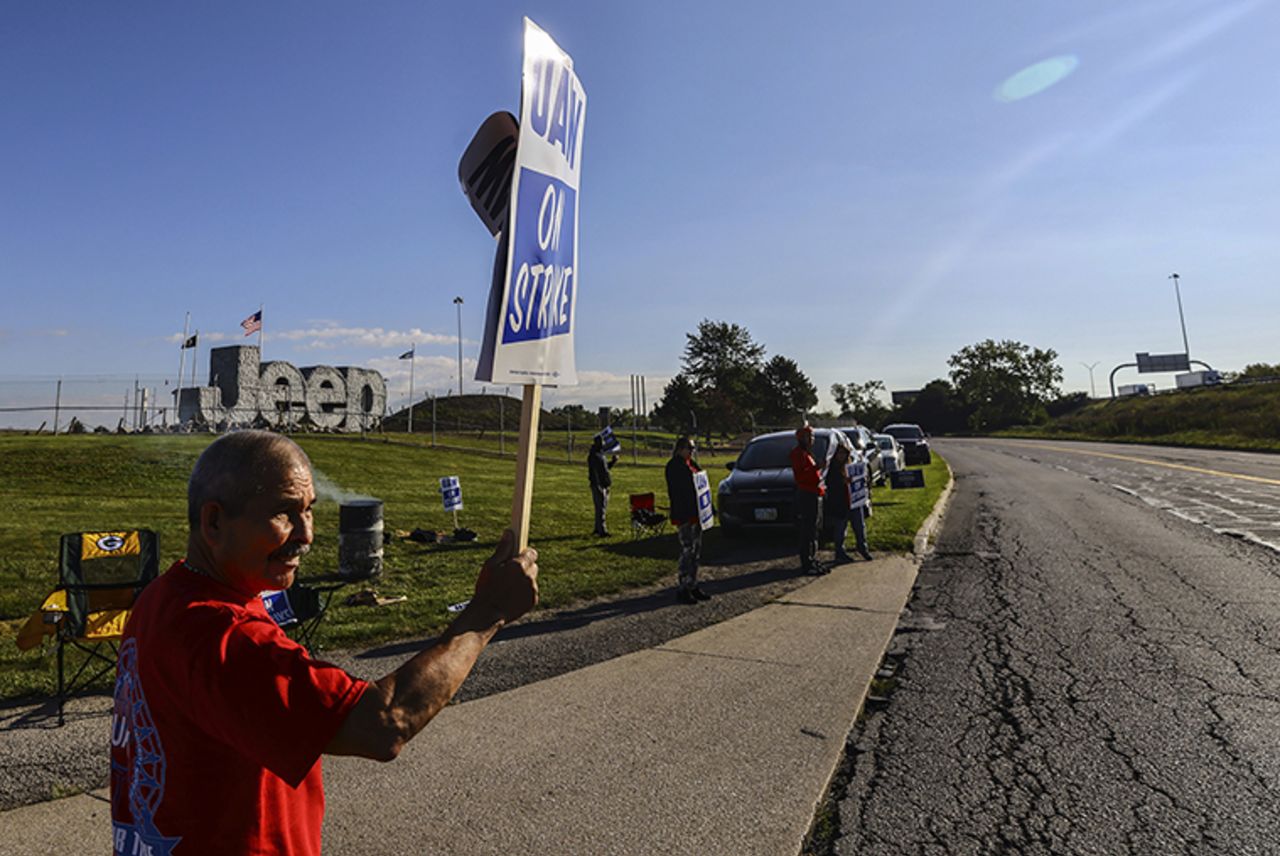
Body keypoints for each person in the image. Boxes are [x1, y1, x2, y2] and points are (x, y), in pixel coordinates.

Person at [110, 431, 538, 856]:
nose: (307, 534)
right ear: (215, 522)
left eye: (309, 510)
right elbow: (384, 722)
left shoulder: (163, 596)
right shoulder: (224, 634)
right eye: (284, 513)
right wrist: (487, 614)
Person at [664, 435, 709, 604]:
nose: (692, 452)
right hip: (684, 514)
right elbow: (680, 491)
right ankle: (683, 588)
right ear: (680, 449)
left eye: (693, 449)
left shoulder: (692, 464)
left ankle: (693, 584)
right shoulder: (674, 466)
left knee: (696, 552)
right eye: (690, 448)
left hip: (697, 514)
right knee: (687, 550)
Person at [790, 424, 829, 575]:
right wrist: (816, 468)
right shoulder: (797, 454)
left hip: (814, 492)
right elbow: (800, 476)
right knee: (807, 530)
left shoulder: (807, 454)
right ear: (802, 438)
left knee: (814, 530)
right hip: (806, 494)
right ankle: (806, 562)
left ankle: (812, 558)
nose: (812, 440)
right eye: (809, 436)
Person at [824, 443, 873, 563]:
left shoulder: (851, 465)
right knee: (841, 529)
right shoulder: (832, 469)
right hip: (841, 504)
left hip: (855, 502)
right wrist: (843, 482)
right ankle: (840, 553)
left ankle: (862, 548)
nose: (842, 456)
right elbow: (831, 485)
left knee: (860, 527)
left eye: (844, 453)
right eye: (840, 453)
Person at [587, 434, 619, 536]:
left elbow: (605, 469)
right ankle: (602, 530)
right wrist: (598, 485)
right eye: (601, 442)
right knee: (601, 508)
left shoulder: (601, 455)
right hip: (599, 485)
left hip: (604, 484)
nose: (603, 444)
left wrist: (613, 462)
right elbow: (594, 472)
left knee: (601, 507)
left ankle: (597, 528)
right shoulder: (594, 456)